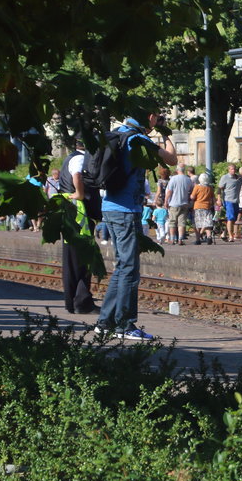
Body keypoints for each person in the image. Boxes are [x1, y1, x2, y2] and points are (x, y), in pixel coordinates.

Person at [95, 112, 176, 340]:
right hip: (126, 210)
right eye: (157, 116)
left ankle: (105, 322)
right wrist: (164, 131)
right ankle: (125, 325)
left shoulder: (120, 133)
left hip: (110, 207)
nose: (158, 120)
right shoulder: (137, 139)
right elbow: (171, 159)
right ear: (149, 116)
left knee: (122, 266)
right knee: (130, 269)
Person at [57, 140, 97, 314]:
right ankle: (80, 301)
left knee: (73, 258)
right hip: (78, 211)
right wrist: (80, 194)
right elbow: (77, 176)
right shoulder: (79, 159)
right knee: (81, 257)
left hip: (69, 208)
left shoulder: (69, 157)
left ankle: (75, 300)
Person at [165, 162, 194, 245]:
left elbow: (169, 191)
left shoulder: (173, 179)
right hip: (184, 203)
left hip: (174, 203)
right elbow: (191, 191)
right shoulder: (188, 179)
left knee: (172, 222)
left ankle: (172, 239)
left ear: (177, 170)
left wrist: (166, 201)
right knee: (182, 222)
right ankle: (180, 239)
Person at [217, 163, 242, 242]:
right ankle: (231, 236)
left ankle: (224, 233)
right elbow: (219, 188)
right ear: (229, 170)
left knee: (233, 219)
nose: (233, 171)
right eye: (231, 169)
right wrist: (219, 199)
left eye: (234, 169)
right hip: (228, 200)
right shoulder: (225, 177)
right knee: (230, 218)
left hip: (236, 200)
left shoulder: (238, 178)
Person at [190, 173, 216, 245]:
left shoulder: (197, 187)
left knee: (197, 224)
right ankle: (209, 237)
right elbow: (213, 198)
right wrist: (215, 205)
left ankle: (198, 239)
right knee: (207, 223)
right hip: (207, 207)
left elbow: (192, 197)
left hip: (197, 206)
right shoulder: (210, 187)